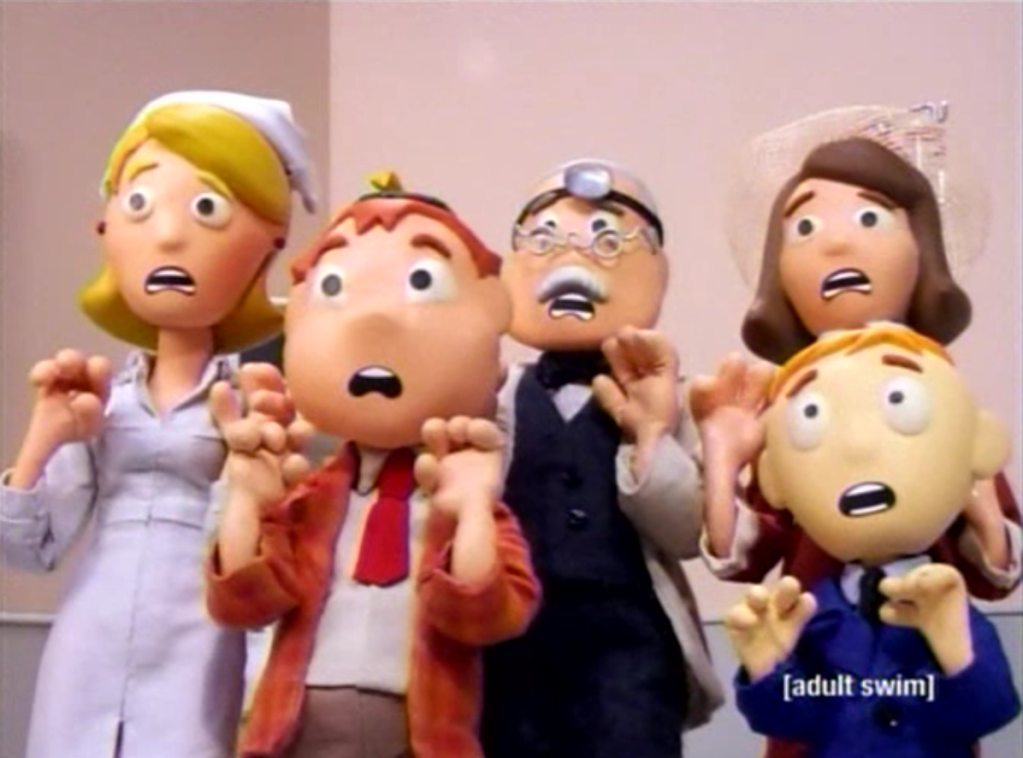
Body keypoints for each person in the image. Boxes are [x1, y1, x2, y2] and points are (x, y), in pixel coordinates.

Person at [0, 90, 316, 758]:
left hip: (202, 642)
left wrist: (251, 473)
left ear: (270, 240)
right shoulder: (100, 397)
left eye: (207, 209)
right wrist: (44, 437)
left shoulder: (257, 404)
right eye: (140, 203)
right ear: (106, 228)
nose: (169, 235)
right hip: (89, 636)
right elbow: (28, 549)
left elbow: (270, 562)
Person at [205, 179, 540, 758]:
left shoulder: (464, 491)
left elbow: (485, 616)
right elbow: (243, 603)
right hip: (298, 730)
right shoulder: (310, 497)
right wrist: (246, 501)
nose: (377, 322)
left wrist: (472, 514)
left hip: (419, 736)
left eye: (422, 284)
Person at [482, 159, 721, 758]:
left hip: (630, 645)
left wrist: (650, 436)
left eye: (608, 241)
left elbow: (686, 533)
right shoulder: (495, 397)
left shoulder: (671, 397)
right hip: (510, 642)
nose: (572, 261)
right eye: (544, 240)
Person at [726, 324, 1020, 758]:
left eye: (902, 405)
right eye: (812, 419)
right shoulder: (812, 615)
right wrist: (768, 671)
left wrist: (958, 653)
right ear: (775, 481)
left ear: (979, 448)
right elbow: (795, 722)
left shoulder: (946, 603)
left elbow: (991, 709)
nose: (859, 447)